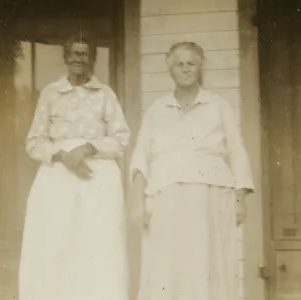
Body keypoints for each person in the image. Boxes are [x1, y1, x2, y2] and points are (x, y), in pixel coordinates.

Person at [129, 41, 254, 300]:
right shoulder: (156, 110)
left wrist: (240, 198)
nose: (185, 69)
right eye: (179, 64)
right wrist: (138, 202)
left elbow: (237, 152)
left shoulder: (218, 106)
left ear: (200, 67)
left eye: (191, 63)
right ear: (171, 69)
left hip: (210, 196)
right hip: (166, 198)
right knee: (167, 265)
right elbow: (141, 157)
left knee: (209, 263)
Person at [18, 34, 131, 300]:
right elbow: (34, 141)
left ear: (93, 59)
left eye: (85, 54)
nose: (80, 59)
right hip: (57, 177)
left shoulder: (105, 94)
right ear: (65, 58)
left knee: (96, 243)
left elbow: (121, 138)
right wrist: (62, 155)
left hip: (98, 177)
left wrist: (89, 148)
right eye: (75, 53)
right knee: (56, 242)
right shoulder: (51, 93)